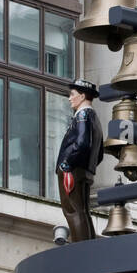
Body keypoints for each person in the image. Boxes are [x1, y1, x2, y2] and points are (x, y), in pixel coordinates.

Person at [56, 79, 104, 242]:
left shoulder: (82, 115)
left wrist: (67, 163)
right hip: (84, 170)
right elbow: (99, 154)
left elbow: (82, 142)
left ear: (82, 96)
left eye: (73, 94)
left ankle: (79, 246)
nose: (70, 98)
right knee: (82, 210)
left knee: (72, 210)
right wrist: (88, 166)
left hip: (73, 169)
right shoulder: (94, 118)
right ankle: (86, 245)